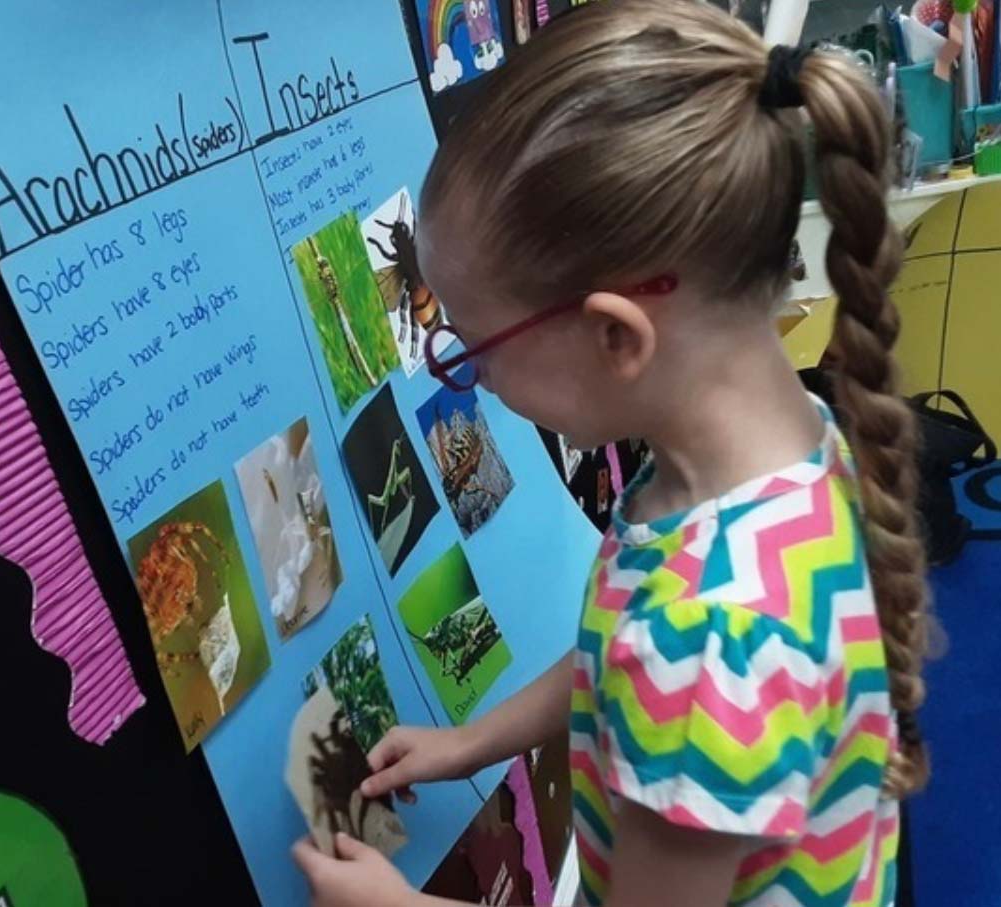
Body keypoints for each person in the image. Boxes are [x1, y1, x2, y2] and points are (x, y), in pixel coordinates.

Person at [292, 2, 929, 905]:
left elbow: (666, 662)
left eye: (472, 349)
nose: (468, 377)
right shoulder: (773, 448)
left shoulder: (710, 638)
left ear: (616, 337)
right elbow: (614, 651)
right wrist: (471, 741)